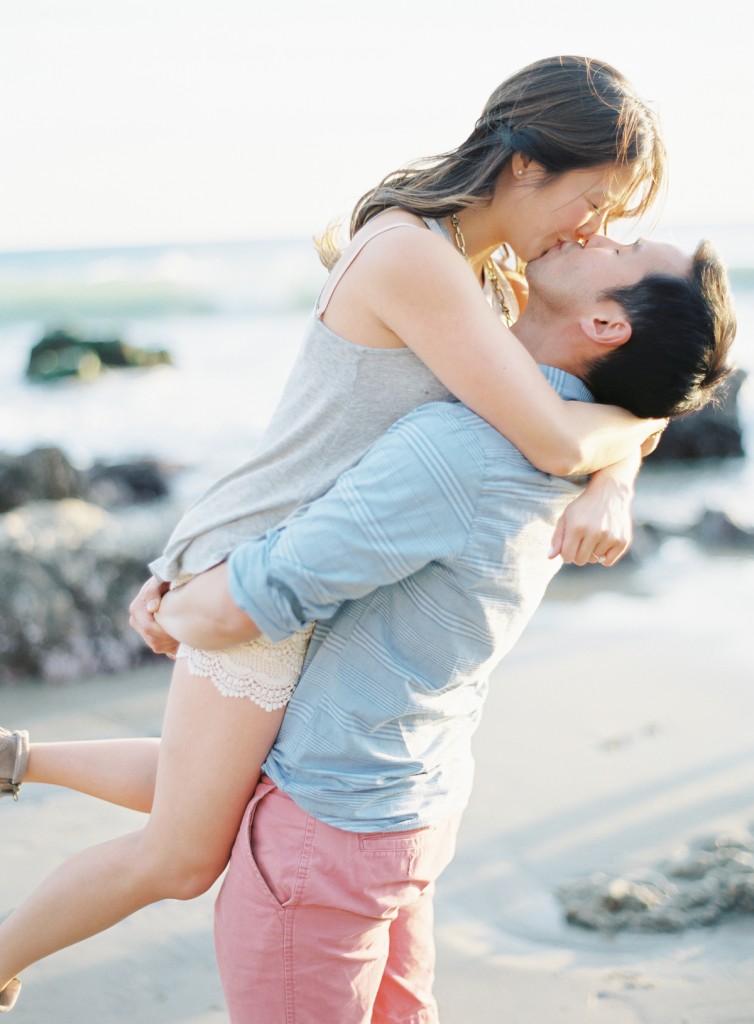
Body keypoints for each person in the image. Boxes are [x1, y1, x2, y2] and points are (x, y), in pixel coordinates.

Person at [0, 55, 676, 1013]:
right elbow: (552, 429)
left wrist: (619, 474)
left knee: (228, 790)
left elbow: (616, 394)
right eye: (596, 198)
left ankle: (15, 758)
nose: (595, 230)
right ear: (527, 165)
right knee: (186, 855)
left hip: (321, 567)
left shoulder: (485, 277)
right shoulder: (411, 255)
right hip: (263, 563)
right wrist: (615, 468)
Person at [144, 233, 737, 1022]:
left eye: (624, 248)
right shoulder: (575, 443)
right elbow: (639, 425)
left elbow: (240, 605)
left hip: (328, 835)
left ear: (605, 324)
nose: (599, 231)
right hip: (410, 805)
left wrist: (161, 604)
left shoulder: (464, 448)